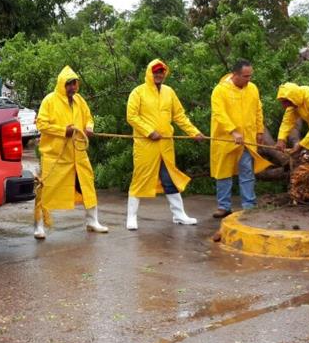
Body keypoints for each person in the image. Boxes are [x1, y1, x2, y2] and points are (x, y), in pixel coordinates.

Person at [125, 59, 205, 230]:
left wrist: (194, 132)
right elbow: (132, 117)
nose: (159, 75)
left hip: (166, 144)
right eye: (155, 72)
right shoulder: (138, 92)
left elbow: (179, 116)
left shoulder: (169, 92)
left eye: (161, 72)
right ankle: (131, 217)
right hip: (146, 146)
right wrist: (149, 131)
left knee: (170, 179)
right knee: (140, 179)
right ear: (149, 73)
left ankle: (179, 215)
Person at [33, 66, 108, 239]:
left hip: (78, 155)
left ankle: (92, 221)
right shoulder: (49, 100)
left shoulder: (79, 100)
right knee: (46, 190)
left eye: (74, 84)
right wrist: (62, 131)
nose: (72, 87)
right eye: (69, 84)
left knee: (87, 187)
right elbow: (41, 124)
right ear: (61, 84)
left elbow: (88, 117)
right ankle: (39, 225)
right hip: (56, 157)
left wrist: (89, 127)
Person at [210, 60, 271, 218]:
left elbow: (258, 109)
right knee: (223, 173)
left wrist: (259, 130)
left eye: (250, 75)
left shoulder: (252, 88)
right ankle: (224, 206)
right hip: (225, 140)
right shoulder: (220, 90)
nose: (248, 79)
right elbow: (219, 113)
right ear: (235, 74)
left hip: (247, 140)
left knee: (247, 171)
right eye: (245, 76)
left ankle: (248, 206)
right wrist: (233, 131)